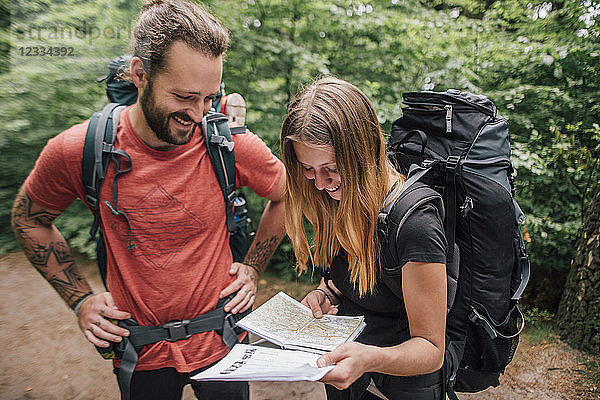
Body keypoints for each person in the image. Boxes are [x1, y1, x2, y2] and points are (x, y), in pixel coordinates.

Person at [10, 1, 286, 399]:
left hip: (223, 340)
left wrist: (253, 268)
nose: (198, 114)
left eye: (210, 97)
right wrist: (81, 301)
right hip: (141, 352)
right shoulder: (79, 150)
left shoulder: (228, 146)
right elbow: (28, 219)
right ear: (141, 75)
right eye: (184, 96)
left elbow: (286, 197)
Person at [280, 76, 447, 400]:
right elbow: (352, 284)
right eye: (308, 169)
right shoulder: (338, 202)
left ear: (364, 150)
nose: (320, 183)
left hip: (401, 386)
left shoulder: (416, 225)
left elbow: (431, 350)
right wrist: (325, 294)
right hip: (350, 377)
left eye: (331, 167)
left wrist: (371, 357)